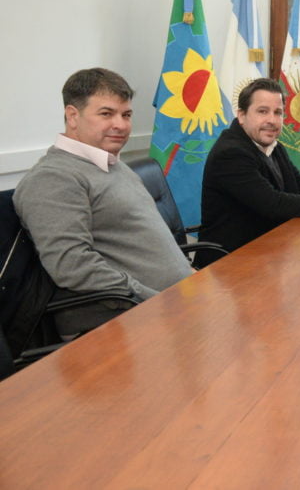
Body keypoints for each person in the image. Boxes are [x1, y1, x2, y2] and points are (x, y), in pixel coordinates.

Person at [13, 68, 193, 333]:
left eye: (126, 115)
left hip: (174, 304)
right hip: (123, 324)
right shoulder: (54, 177)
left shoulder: (111, 164)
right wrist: (152, 297)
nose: (120, 124)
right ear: (73, 116)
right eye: (106, 114)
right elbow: (72, 265)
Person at [197, 78, 300, 264]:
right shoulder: (231, 154)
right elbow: (273, 205)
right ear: (241, 116)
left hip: (266, 252)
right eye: (262, 111)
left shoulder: (272, 146)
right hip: (228, 263)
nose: (272, 120)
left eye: (278, 113)